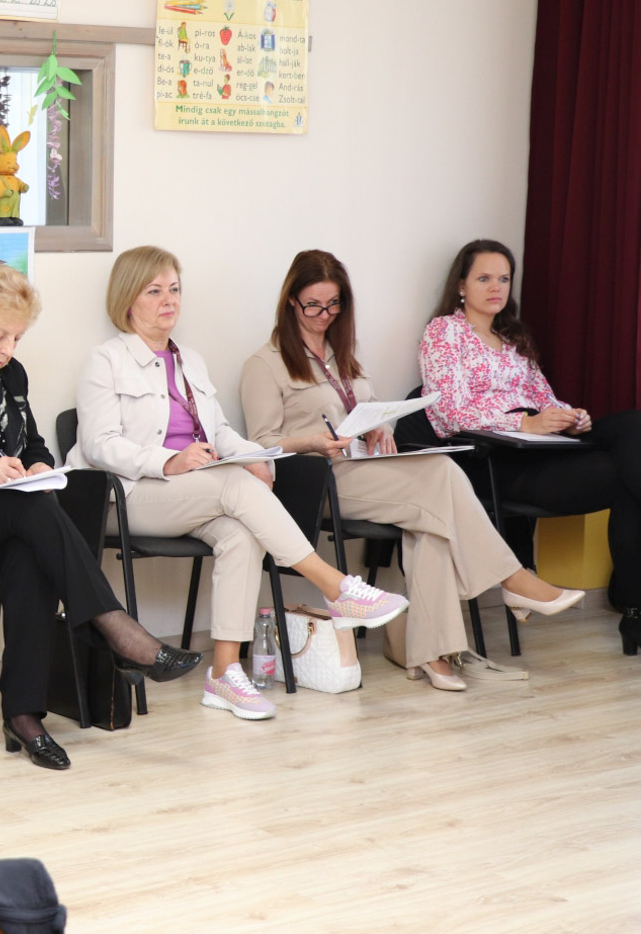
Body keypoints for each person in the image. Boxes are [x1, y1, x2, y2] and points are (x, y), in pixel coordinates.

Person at [0, 263, 201, 769]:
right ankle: (113, 627)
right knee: (28, 509)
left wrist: (40, 466)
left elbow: (32, 444)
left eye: (16, 338)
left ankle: (24, 716)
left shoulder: (10, 376)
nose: (6, 350)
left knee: (29, 551)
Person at [68, 246, 409, 721]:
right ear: (128, 300)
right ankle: (336, 587)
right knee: (233, 484)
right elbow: (99, 444)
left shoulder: (190, 360)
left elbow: (220, 432)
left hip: (191, 494)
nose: (169, 300)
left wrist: (256, 457)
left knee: (241, 532)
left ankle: (224, 675)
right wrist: (170, 461)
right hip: (124, 497)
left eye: (174, 289)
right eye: (154, 291)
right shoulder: (106, 360)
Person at [241, 250, 582, 690]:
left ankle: (432, 654)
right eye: (313, 305)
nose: (324, 315)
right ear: (291, 301)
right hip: (317, 480)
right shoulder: (264, 364)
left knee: (432, 515)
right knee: (439, 478)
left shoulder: (343, 355)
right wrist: (312, 441)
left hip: (365, 468)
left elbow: (364, 408)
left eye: (334, 305)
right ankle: (512, 579)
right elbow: (261, 444)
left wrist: (381, 426)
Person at [419, 238, 641, 656]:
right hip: (494, 459)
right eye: (484, 278)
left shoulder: (513, 337)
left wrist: (570, 418)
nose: (496, 287)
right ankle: (633, 609)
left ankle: (634, 611)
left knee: (632, 429)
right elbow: (447, 413)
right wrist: (523, 422)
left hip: (541, 446)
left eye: (504, 279)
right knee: (625, 472)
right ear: (461, 285)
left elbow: (544, 397)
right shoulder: (445, 332)